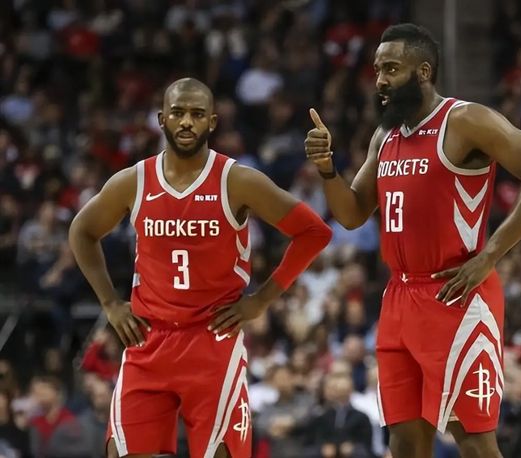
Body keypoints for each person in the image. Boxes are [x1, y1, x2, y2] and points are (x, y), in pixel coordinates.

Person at [304, 24, 521, 458]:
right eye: (377, 70)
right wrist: (327, 168)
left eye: (391, 68)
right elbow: (350, 214)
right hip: (399, 298)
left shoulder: (465, 120)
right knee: (405, 441)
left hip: (455, 294)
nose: (380, 79)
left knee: (475, 442)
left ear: (423, 71)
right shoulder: (384, 136)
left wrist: (491, 254)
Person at [69, 78, 332, 458]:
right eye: (178, 113)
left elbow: (313, 232)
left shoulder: (236, 180)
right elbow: (82, 231)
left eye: (196, 114)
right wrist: (109, 302)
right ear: (161, 119)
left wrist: (261, 300)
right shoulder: (134, 181)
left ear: (212, 121)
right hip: (149, 339)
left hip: (212, 339)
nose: (187, 122)